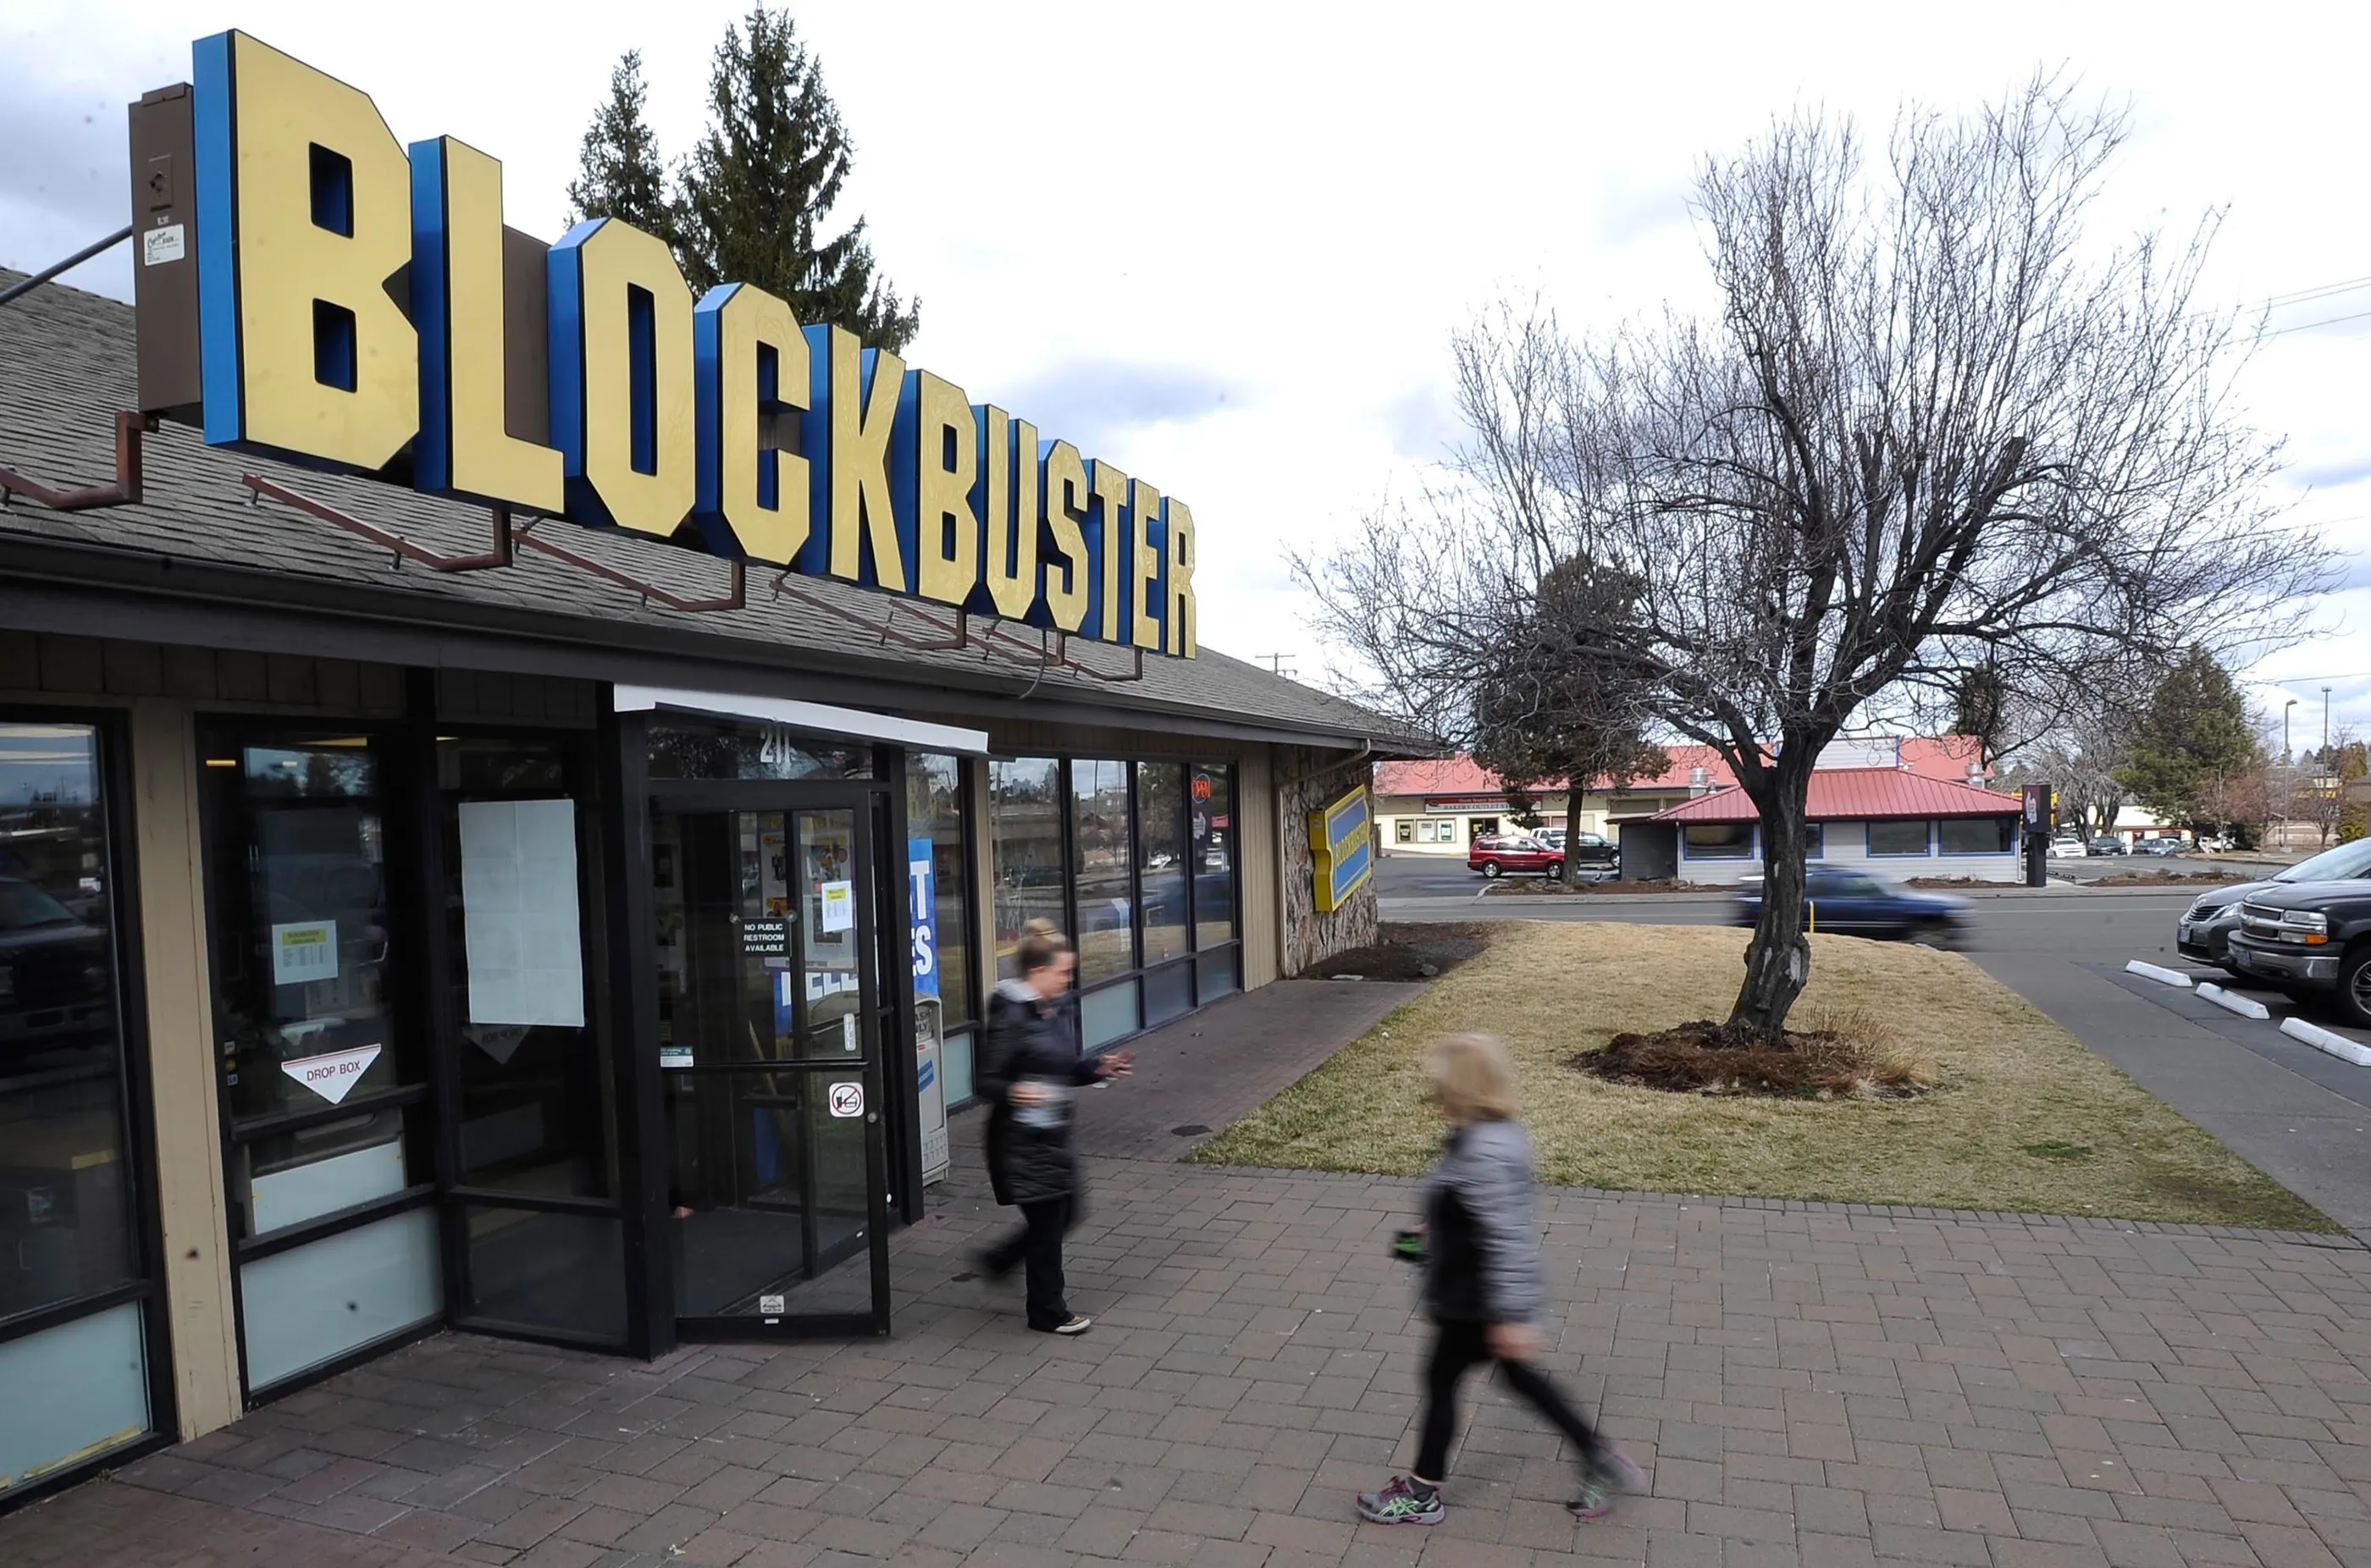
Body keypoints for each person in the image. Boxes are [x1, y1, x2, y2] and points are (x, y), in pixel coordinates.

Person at [1358, 1033, 1638, 1527]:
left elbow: (1508, 1239)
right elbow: (1468, 1206)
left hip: (1479, 1298)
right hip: (1471, 1290)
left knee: (1445, 1377)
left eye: (1439, 1087)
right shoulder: (1485, 1132)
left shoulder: (1486, 1150)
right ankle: (1599, 1458)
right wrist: (1429, 1231)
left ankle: (1423, 1493)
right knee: (1514, 1379)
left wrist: (1512, 1316)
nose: (1434, 1096)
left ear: (1460, 1089)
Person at [974, 919, 1131, 1334]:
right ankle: (1047, 1312)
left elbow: (1062, 1068)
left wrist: (1097, 1068)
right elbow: (986, 1080)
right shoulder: (1011, 1015)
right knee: (1049, 1225)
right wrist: (1016, 1092)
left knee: (1067, 1214)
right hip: (1019, 1143)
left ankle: (999, 1261)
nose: (1068, 979)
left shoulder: (1049, 1011)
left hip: (1052, 1137)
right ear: (1037, 972)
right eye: (1063, 972)